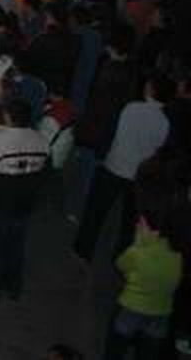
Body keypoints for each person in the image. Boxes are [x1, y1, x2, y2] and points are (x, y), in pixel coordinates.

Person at [76, 73, 170, 262]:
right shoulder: (165, 122)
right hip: (138, 175)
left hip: (114, 165)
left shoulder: (132, 108)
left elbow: (115, 132)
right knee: (129, 222)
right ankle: (120, 257)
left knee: (96, 212)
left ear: (151, 90)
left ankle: (83, 249)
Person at [0, 98, 49, 304]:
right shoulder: (40, 139)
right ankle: (13, 286)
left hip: (2, 198)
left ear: (8, 116)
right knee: (16, 245)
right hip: (26, 199)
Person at [103, 207, 183, 359]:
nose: (137, 226)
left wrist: (137, 243)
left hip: (131, 309)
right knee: (147, 353)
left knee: (114, 349)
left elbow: (120, 264)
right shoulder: (177, 251)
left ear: (155, 231)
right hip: (161, 313)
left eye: (141, 223)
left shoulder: (137, 252)